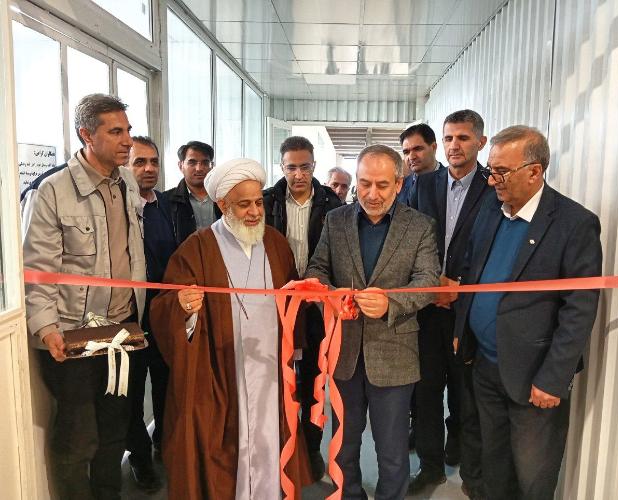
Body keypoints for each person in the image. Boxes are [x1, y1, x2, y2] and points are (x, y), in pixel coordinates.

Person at [454, 126, 602, 499]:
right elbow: (471, 271)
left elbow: (579, 308)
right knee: (495, 463)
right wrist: (462, 330)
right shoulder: (491, 210)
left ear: (535, 171)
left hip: (534, 375)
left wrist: (553, 378)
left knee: (533, 475)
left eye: (502, 172)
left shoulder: (573, 224)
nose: (492, 181)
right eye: (491, 171)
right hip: (486, 366)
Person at [150, 158, 311, 499]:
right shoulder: (198, 247)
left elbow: (292, 300)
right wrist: (183, 307)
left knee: (270, 433)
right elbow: (165, 306)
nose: (254, 212)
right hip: (220, 367)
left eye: (258, 203)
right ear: (223, 205)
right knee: (222, 442)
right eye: (243, 204)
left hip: (269, 366)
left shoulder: (276, 243)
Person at [24, 93, 146, 500]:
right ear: (86, 135)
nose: (127, 141)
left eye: (128, 130)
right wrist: (46, 328)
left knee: (114, 430)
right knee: (78, 438)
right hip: (72, 335)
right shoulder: (51, 190)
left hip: (120, 332)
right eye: (115, 132)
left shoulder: (126, 183)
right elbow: (36, 268)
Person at [305, 144, 440, 499]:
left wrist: (390, 303)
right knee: (343, 445)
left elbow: (428, 282)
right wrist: (330, 296)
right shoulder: (336, 221)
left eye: (382, 185)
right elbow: (316, 269)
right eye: (365, 184)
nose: (372, 194)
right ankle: (348, 494)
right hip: (344, 352)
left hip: (395, 353)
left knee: (392, 451)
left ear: (399, 184)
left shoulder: (420, 226)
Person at [407, 109, 489, 498]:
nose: (455, 145)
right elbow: (406, 238)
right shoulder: (422, 185)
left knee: (466, 395)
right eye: (449, 138)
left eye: (464, 138)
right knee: (425, 393)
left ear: (480, 142)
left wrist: (462, 286)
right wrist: (430, 284)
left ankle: (470, 469)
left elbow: (494, 246)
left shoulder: (492, 187)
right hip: (426, 310)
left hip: (469, 312)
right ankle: (430, 467)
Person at [263, 136, 343, 480]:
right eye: (291, 167)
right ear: (282, 167)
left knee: (314, 379)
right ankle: (278, 444)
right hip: (275, 305)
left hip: (316, 306)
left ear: (314, 166)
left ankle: (310, 449)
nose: (298, 174)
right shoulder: (266, 201)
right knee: (275, 377)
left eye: (305, 167)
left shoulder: (333, 204)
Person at [125, 136, 176, 493]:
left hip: (164, 317)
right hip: (127, 319)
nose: (148, 169)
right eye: (139, 162)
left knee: (166, 385)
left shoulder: (166, 208)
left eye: (154, 162)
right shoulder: (119, 208)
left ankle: (164, 443)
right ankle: (140, 458)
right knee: (130, 395)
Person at [165, 140, 221, 245]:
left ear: (212, 166)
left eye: (205, 163)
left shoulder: (223, 196)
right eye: (192, 162)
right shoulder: (166, 200)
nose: (199, 169)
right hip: (184, 254)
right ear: (181, 165)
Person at [397, 123, 442, 204]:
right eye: (406, 152)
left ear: (433, 147)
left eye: (417, 149)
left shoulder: (452, 182)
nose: (411, 157)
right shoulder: (400, 185)